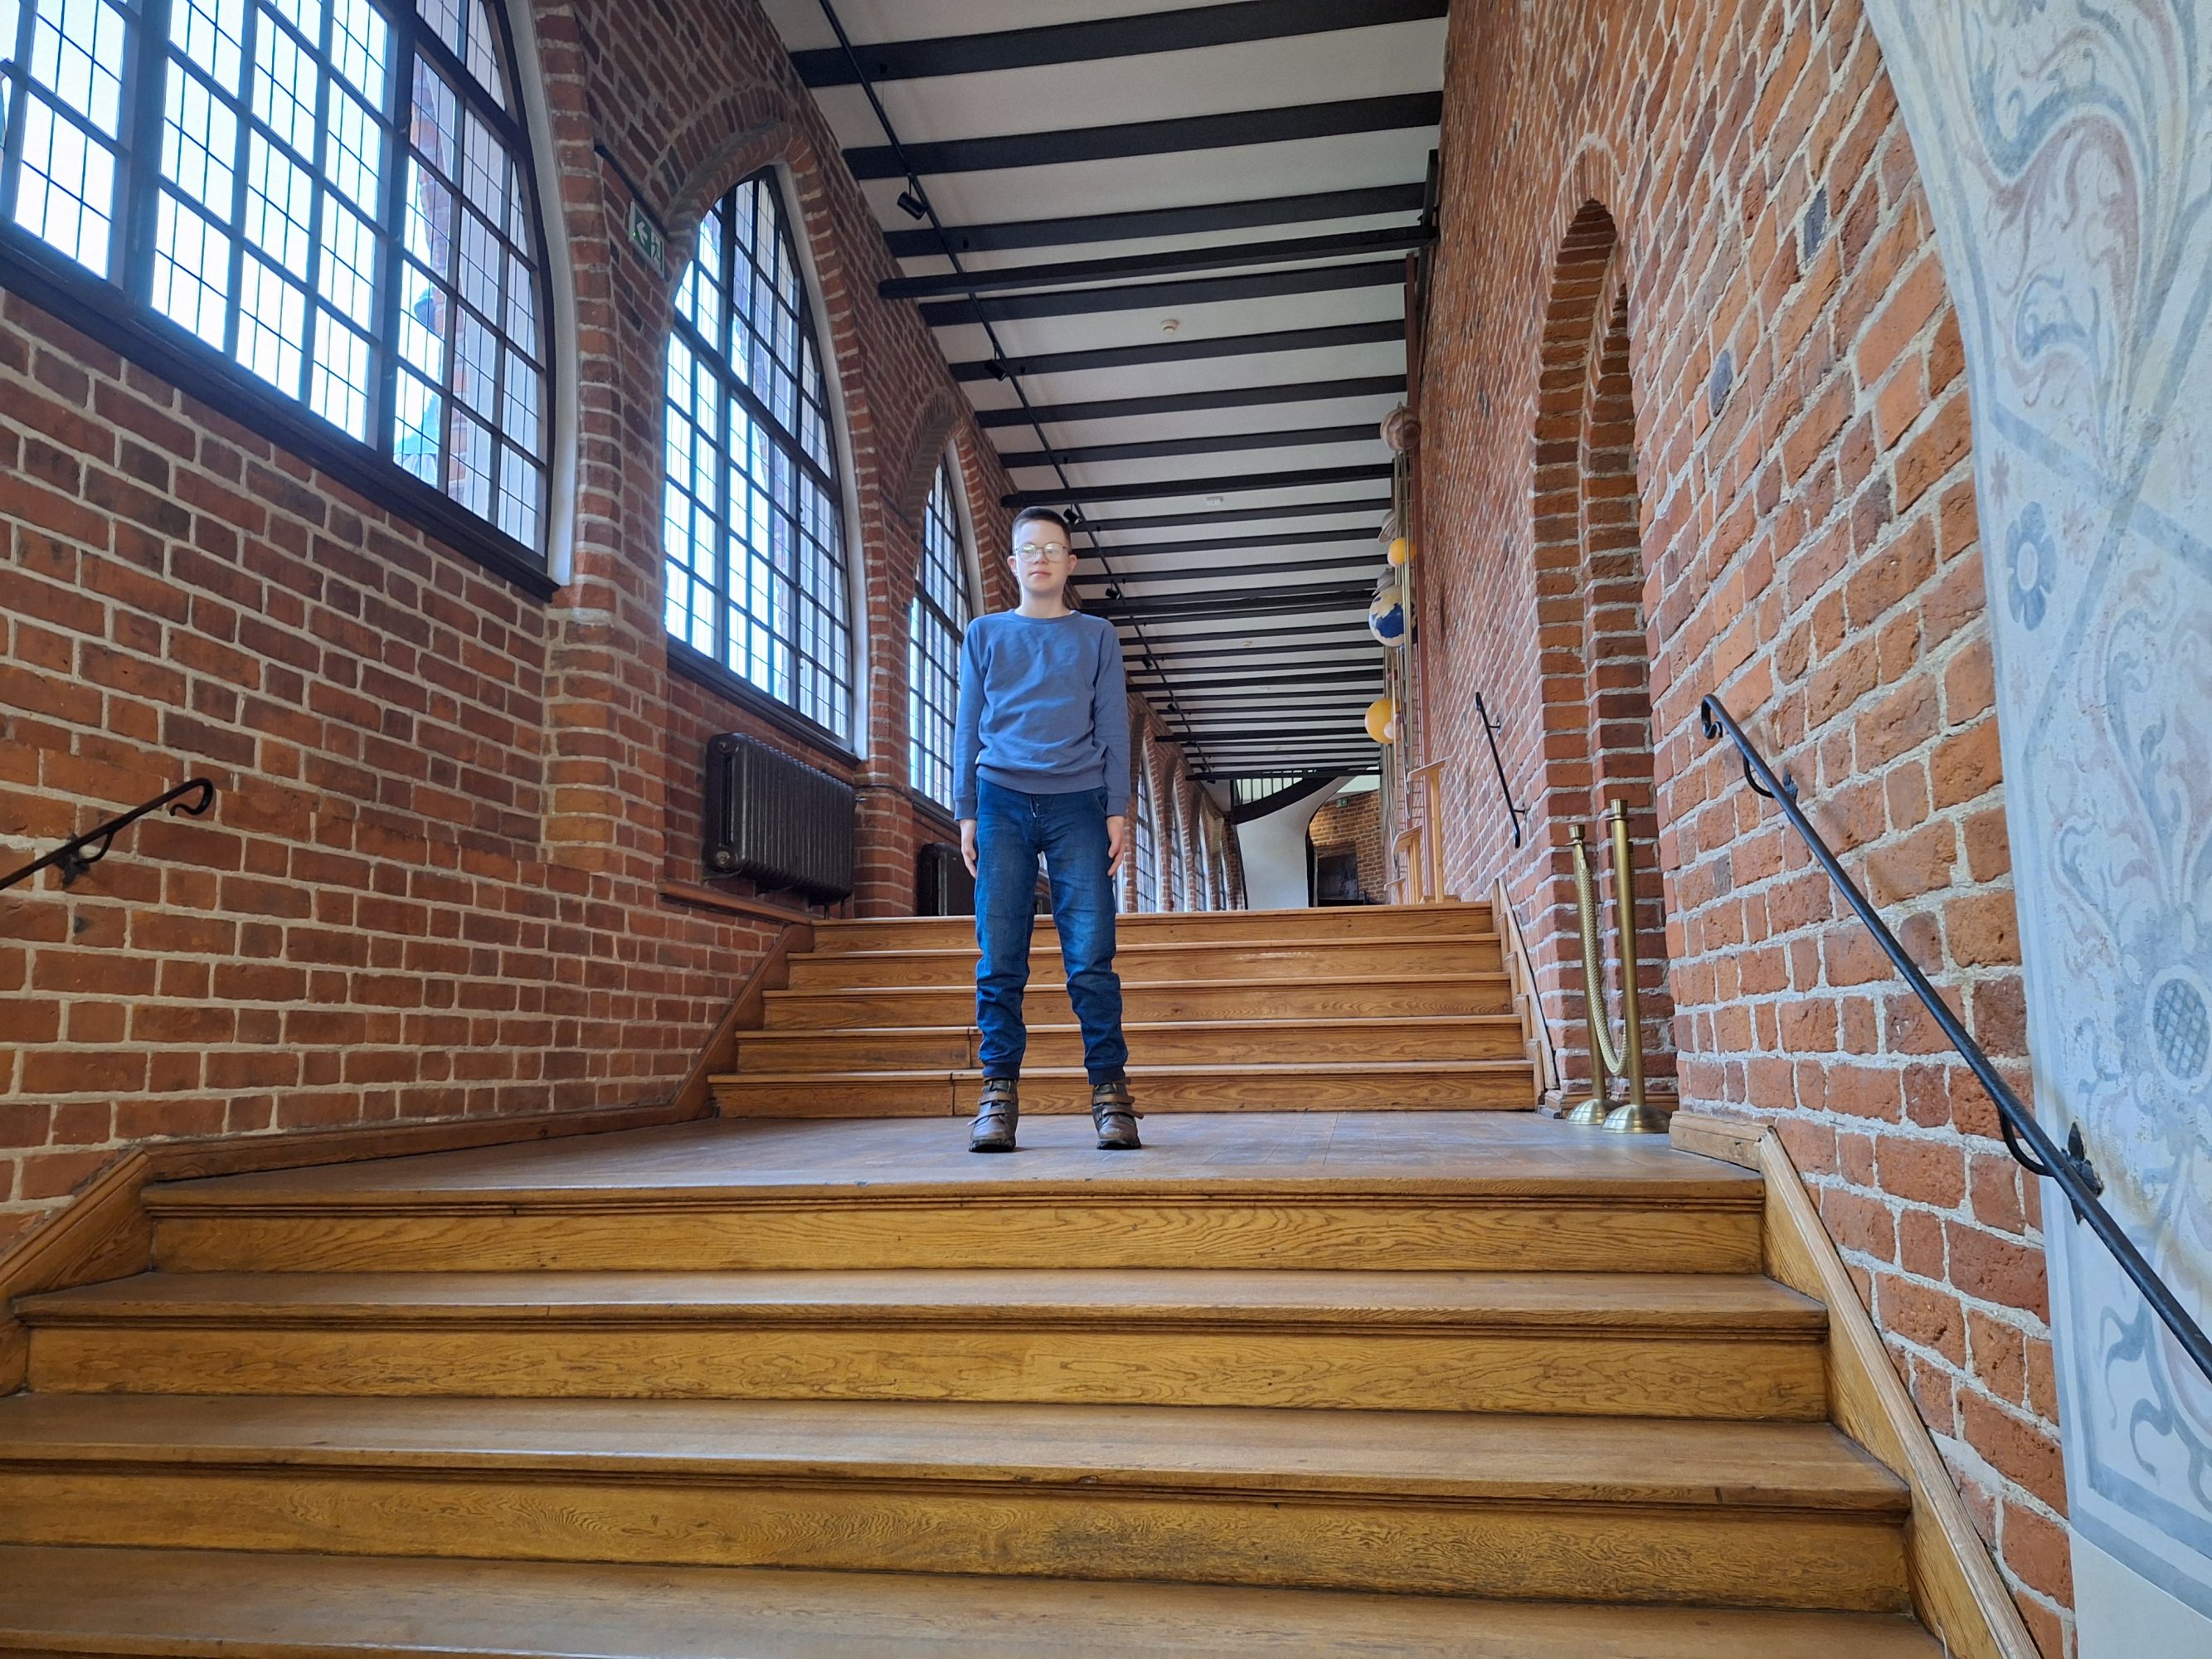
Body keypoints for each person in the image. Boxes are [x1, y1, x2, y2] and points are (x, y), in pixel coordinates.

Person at [953, 506, 1140, 1154]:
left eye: (1052, 549)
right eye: (1029, 549)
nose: (1040, 558)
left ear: (1069, 562)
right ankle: (997, 1097)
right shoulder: (984, 633)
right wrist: (966, 810)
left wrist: (1117, 808)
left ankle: (1111, 1097)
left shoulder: (1096, 636)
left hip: (1079, 803)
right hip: (999, 800)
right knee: (1000, 957)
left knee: (1090, 956)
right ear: (1012, 563)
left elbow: (1112, 724)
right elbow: (967, 724)